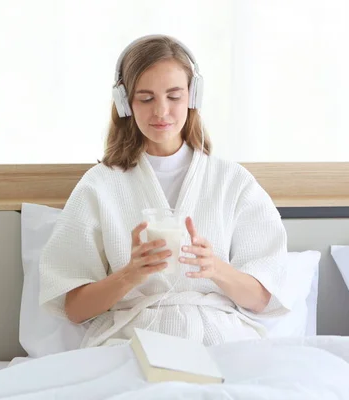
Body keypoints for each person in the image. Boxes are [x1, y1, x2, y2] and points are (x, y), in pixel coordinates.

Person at [38, 34, 290, 348]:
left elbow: (264, 298)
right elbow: (74, 309)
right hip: (131, 341)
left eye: (174, 96)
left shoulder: (232, 181)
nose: (161, 111)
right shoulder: (99, 185)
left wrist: (215, 268)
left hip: (221, 340)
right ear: (124, 102)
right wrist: (130, 274)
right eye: (146, 98)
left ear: (193, 97)